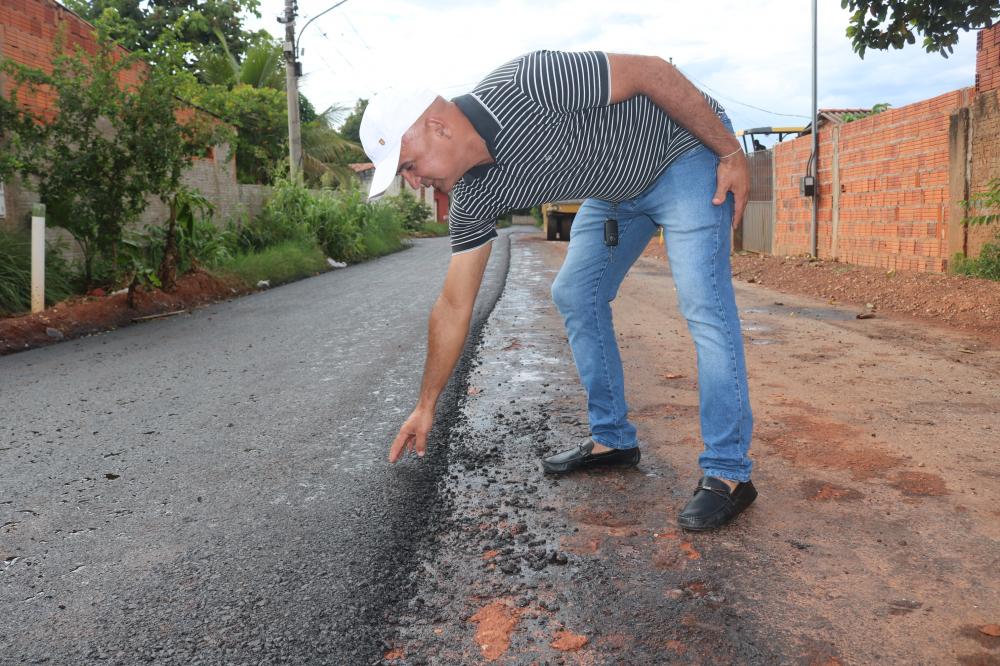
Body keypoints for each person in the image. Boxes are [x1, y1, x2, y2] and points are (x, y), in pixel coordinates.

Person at [360, 50, 755, 531]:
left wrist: (730, 152)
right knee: (575, 293)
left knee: (703, 305)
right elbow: (452, 304)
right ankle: (613, 438)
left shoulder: (530, 82)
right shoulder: (474, 196)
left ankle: (728, 472)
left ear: (438, 126)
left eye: (409, 164)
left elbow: (653, 72)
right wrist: (426, 405)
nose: (415, 180)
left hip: (682, 153)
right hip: (615, 190)